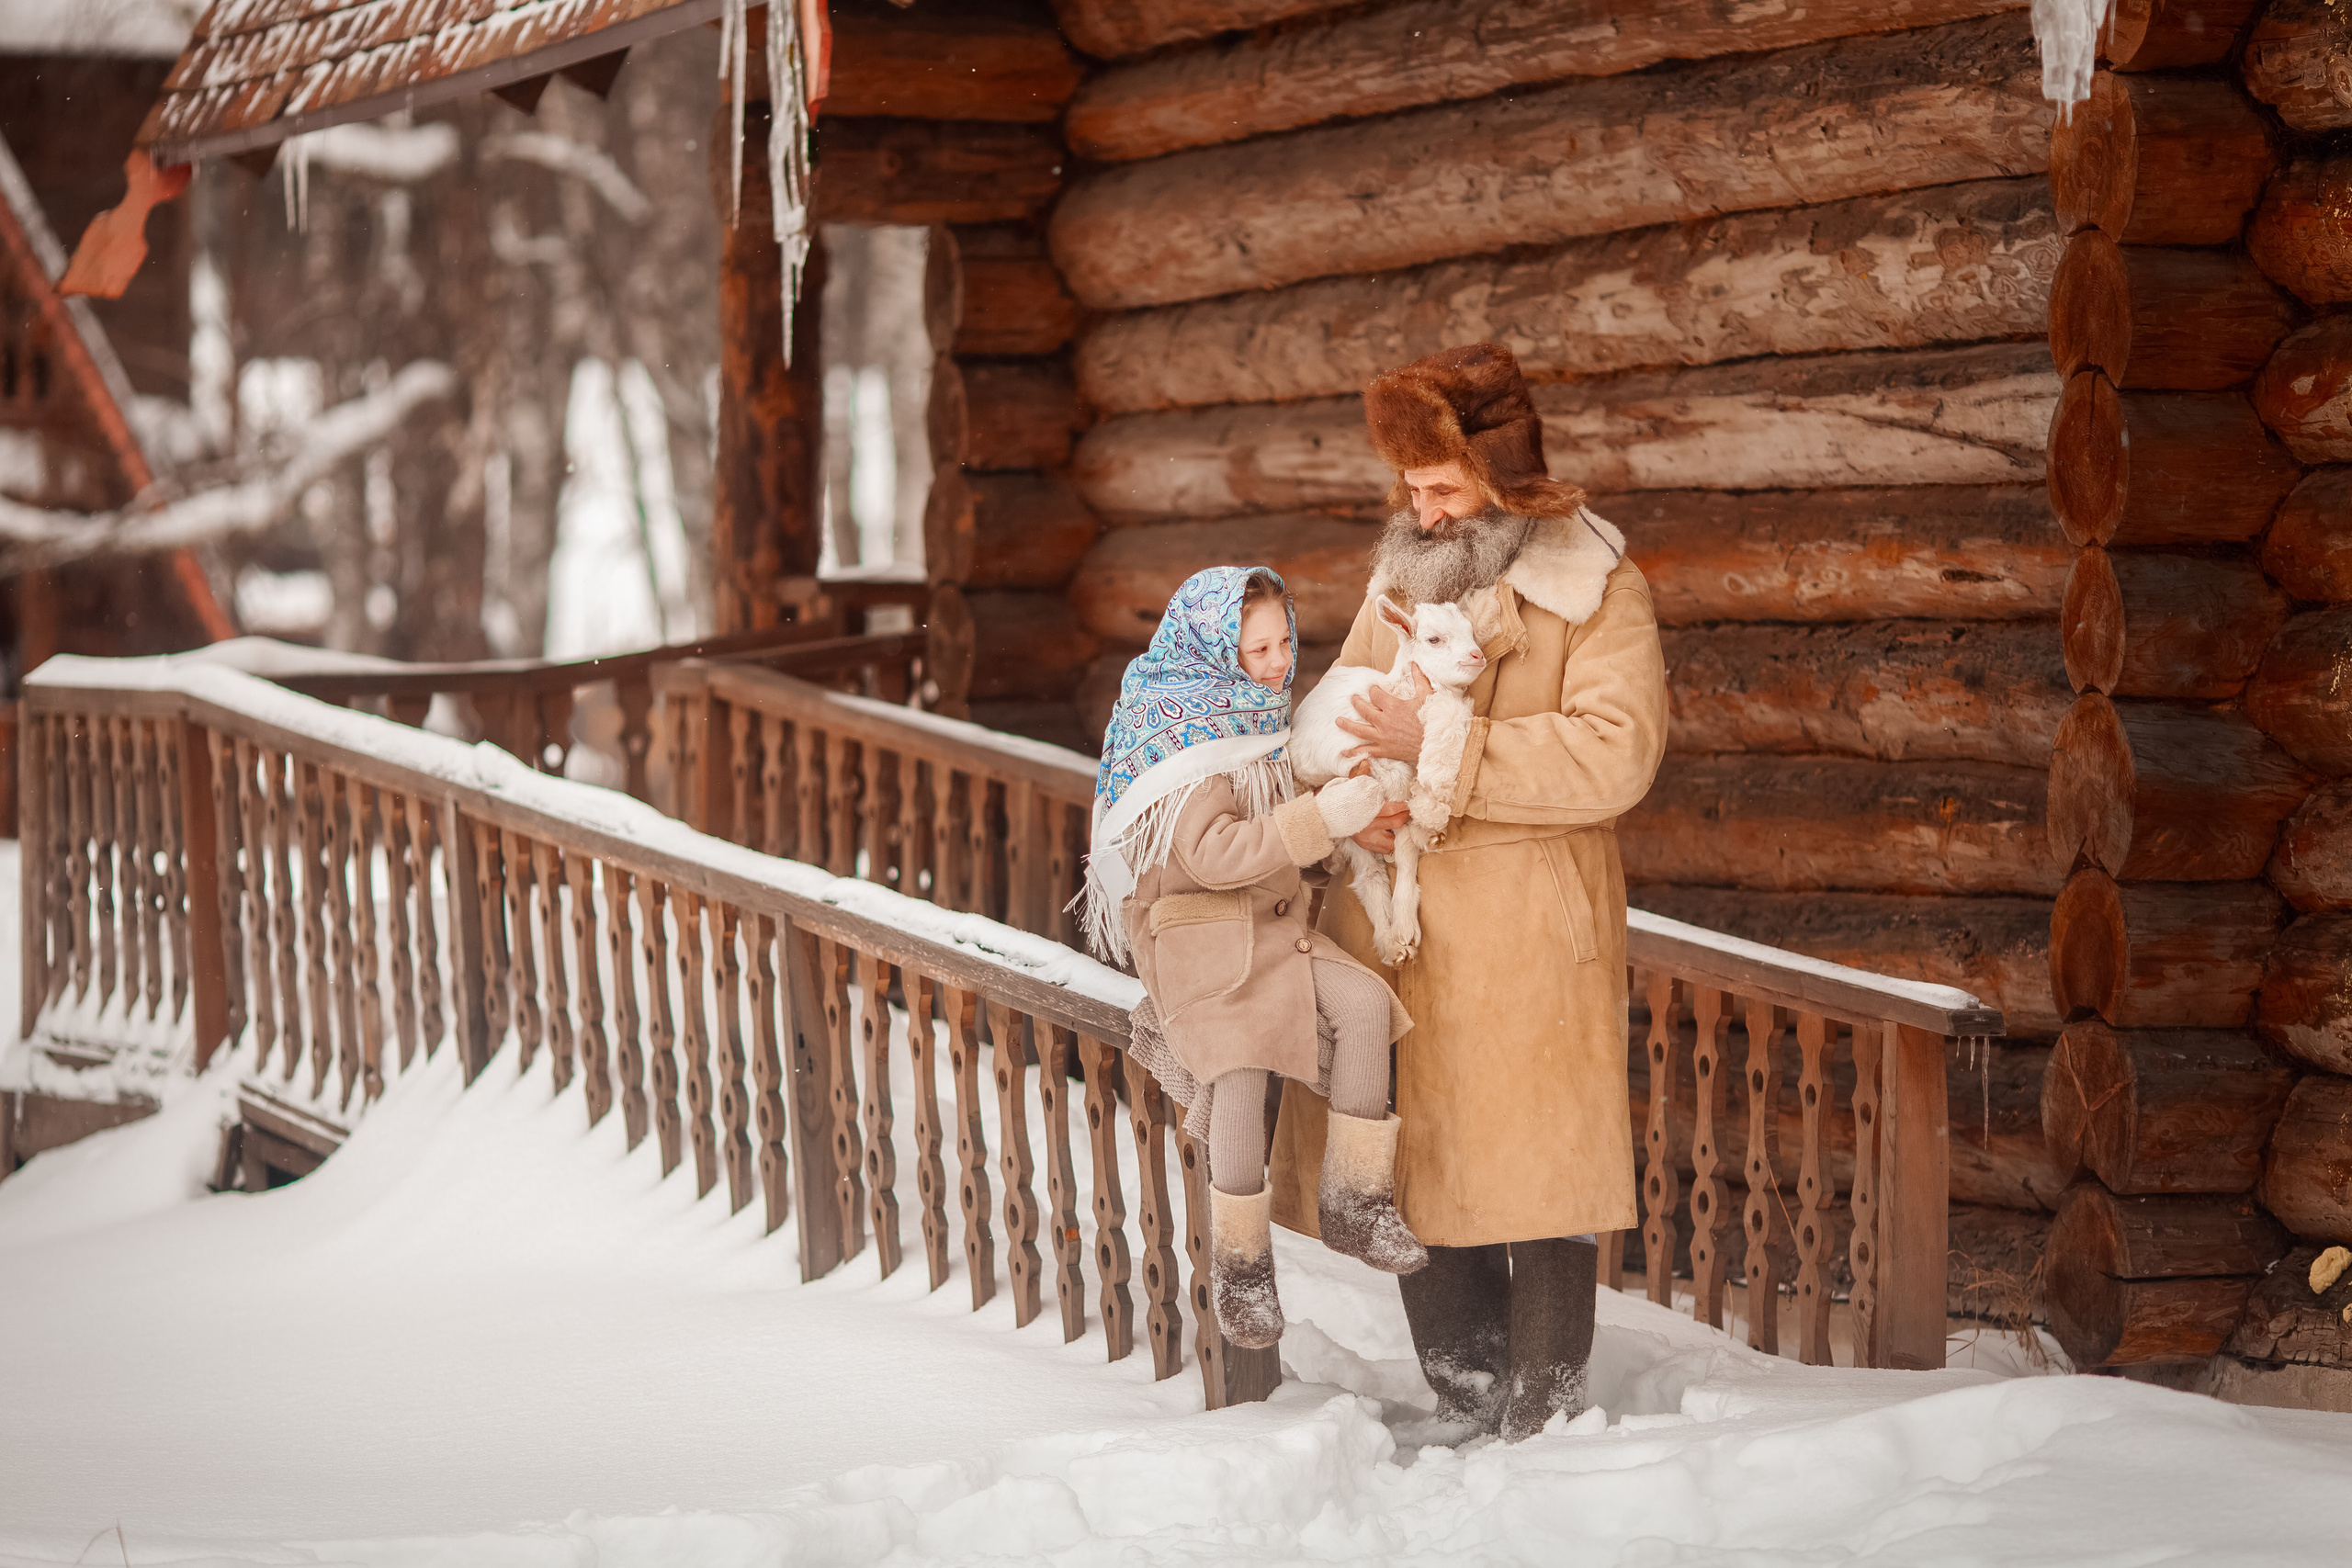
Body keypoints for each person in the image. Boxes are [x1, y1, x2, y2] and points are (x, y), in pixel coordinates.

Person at [1269, 343, 1669, 1440]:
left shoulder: (1597, 588)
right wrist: (1369, 789)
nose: (1423, 510)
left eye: (1441, 488)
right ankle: (1464, 1399)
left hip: (1526, 929)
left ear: (1503, 478)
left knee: (1540, 1178)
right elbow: (1346, 707)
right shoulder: (1403, 573)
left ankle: (1542, 1415)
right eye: (1410, 489)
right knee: (1413, 1164)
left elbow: (1614, 755)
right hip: (1398, 924)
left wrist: (1442, 744)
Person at [1079, 566, 1428, 1350]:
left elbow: (1275, 843)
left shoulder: (1258, 720)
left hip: (1269, 926)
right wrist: (1319, 819)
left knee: (1367, 1006)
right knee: (1238, 1069)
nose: (1276, 663)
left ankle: (1356, 1199)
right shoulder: (1187, 736)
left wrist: (1338, 831)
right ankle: (1241, 1269)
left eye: (1282, 643)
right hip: (1201, 939)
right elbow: (1212, 853)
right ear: (1213, 650)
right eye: (1255, 649)